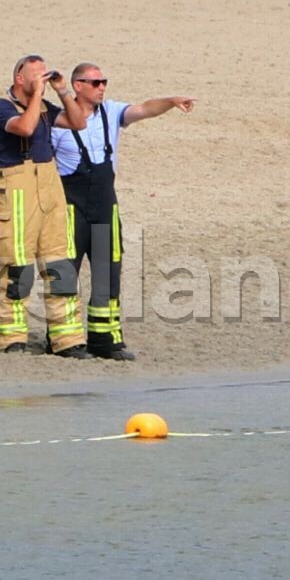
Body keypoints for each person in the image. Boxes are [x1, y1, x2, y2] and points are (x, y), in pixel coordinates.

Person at [50, 63, 195, 360]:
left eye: (104, 81)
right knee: (65, 272)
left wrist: (170, 102)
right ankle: (64, 341)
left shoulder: (112, 112)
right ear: (78, 86)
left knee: (108, 271)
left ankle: (105, 341)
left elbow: (145, 109)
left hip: (105, 205)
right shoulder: (57, 121)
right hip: (70, 206)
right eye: (96, 82)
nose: (102, 86)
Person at [0, 54, 91, 358]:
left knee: (59, 264)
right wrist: (38, 96)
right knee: (18, 268)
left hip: (49, 183)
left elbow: (78, 122)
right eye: (37, 74)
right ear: (20, 78)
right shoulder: (1, 107)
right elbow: (26, 128)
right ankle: (12, 339)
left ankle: (67, 339)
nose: (43, 77)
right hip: (17, 187)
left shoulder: (45, 105)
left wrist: (61, 90)